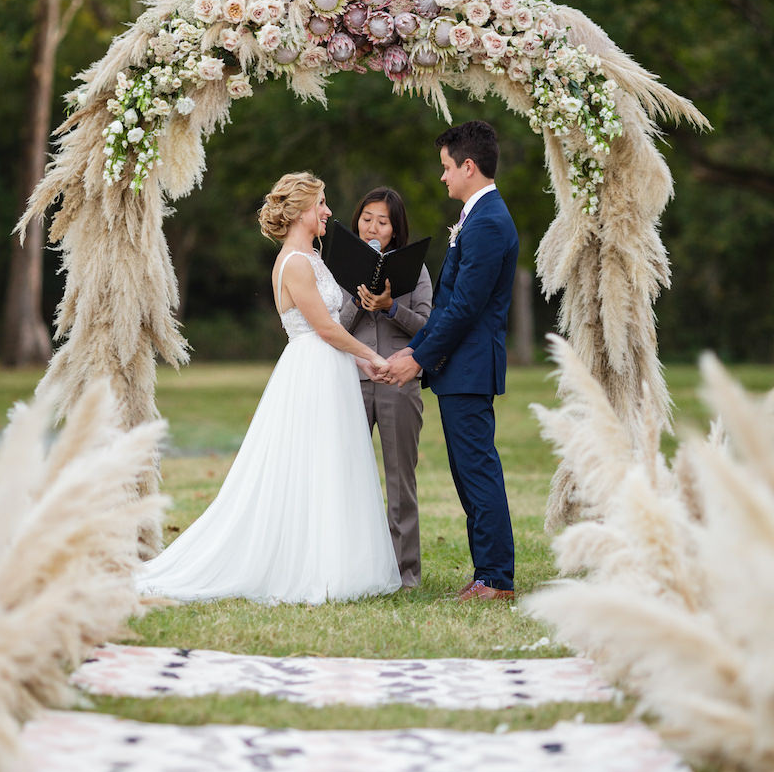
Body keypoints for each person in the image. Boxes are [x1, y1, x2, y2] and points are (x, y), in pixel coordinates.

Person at [137, 172, 401, 605]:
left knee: (329, 464)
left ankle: (334, 562)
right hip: (312, 371)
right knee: (311, 466)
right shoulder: (295, 263)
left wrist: (358, 362)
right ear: (301, 211)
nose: (329, 212)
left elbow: (330, 331)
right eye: (321, 204)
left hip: (327, 366)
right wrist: (372, 356)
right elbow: (324, 328)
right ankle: (309, 568)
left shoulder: (309, 257)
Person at [388, 121, 519, 603]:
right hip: (459, 366)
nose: (442, 177)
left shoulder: (487, 222)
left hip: (469, 367)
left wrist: (418, 359)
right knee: (469, 473)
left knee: (477, 471)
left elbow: (464, 306)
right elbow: (452, 304)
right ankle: (488, 572)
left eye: (446, 168)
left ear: (469, 166)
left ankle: (496, 578)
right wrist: (415, 348)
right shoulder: (478, 216)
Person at [339, 187, 432, 587]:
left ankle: (405, 573)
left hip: (398, 383)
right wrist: (360, 301)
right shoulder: (337, 266)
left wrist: (391, 307)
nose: (373, 226)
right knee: (345, 477)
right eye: (367, 218)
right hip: (349, 382)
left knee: (400, 481)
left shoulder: (416, 270)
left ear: (395, 229)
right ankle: (351, 568)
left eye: (383, 221)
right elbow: (329, 329)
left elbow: (429, 329)